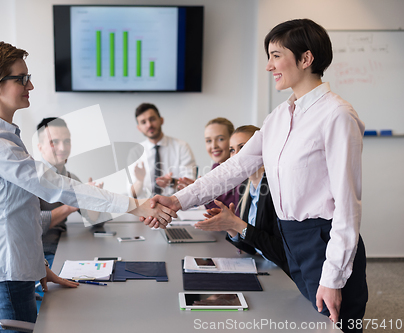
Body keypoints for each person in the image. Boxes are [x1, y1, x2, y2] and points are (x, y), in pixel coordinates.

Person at [147, 19, 367, 332]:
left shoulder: (337, 116)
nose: (269, 66)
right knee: (305, 324)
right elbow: (233, 169)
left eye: (276, 55)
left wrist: (333, 278)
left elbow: (348, 208)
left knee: (337, 326)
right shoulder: (279, 117)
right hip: (290, 241)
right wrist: (176, 200)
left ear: (306, 59)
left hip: (324, 242)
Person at [0, 40, 175, 329]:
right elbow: (57, 187)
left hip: (18, 267)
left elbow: (20, 213)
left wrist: (38, 265)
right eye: (21, 78)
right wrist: (134, 206)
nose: (30, 86)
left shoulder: (4, 137)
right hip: (8, 272)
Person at [194, 125, 290, 276]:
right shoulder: (246, 186)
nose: (236, 156)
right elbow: (252, 247)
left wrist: (237, 224)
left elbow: (282, 253)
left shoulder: (275, 189)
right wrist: (231, 228)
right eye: (232, 150)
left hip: (283, 274)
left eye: (243, 148)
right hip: (263, 266)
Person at [36, 117, 110, 267]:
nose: (63, 148)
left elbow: (98, 221)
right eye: (54, 142)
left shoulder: (70, 178)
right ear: (40, 147)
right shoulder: (32, 178)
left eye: (67, 141)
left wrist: (95, 199)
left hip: (64, 248)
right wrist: (74, 203)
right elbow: (33, 223)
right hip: (39, 257)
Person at [128, 103, 197, 198]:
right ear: (139, 128)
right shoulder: (135, 152)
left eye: (152, 119)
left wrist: (172, 182)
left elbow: (191, 186)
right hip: (146, 207)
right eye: (143, 122)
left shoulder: (181, 147)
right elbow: (132, 194)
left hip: (176, 204)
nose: (149, 125)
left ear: (161, 120)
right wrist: (140, 181)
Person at [177, 117, 239, 210]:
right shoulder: (216, 167)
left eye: (220, 139)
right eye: (209, 141)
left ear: (232, 140)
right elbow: (217, 211)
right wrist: (202, 194)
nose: (214, 146)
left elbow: (233, 213)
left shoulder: (240, 170)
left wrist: (205, 194)